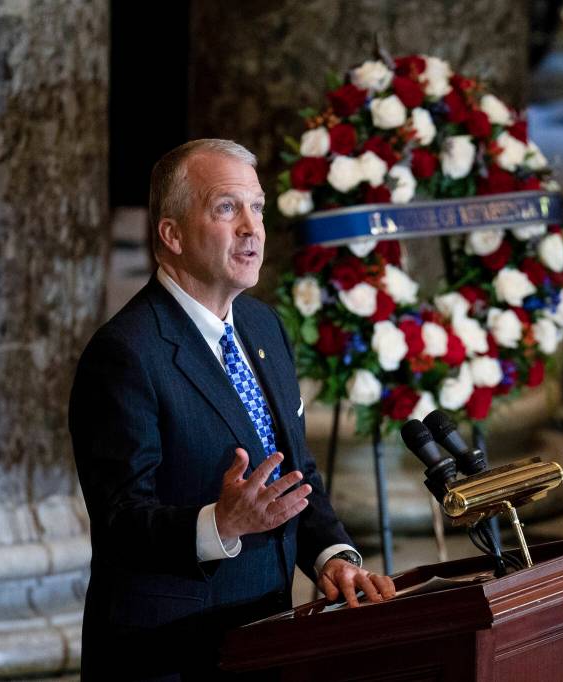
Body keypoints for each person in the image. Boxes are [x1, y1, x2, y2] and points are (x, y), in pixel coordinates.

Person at [70, 139, 396, 679]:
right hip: (165, 654)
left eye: (258, 208)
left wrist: (331, 556)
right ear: (171, 234)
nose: (252, 227)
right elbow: (119, 523)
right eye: (227, 208)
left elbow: (292, 472)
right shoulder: (126, 353)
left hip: (263, 635)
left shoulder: (263, 325)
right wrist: (218, 523)